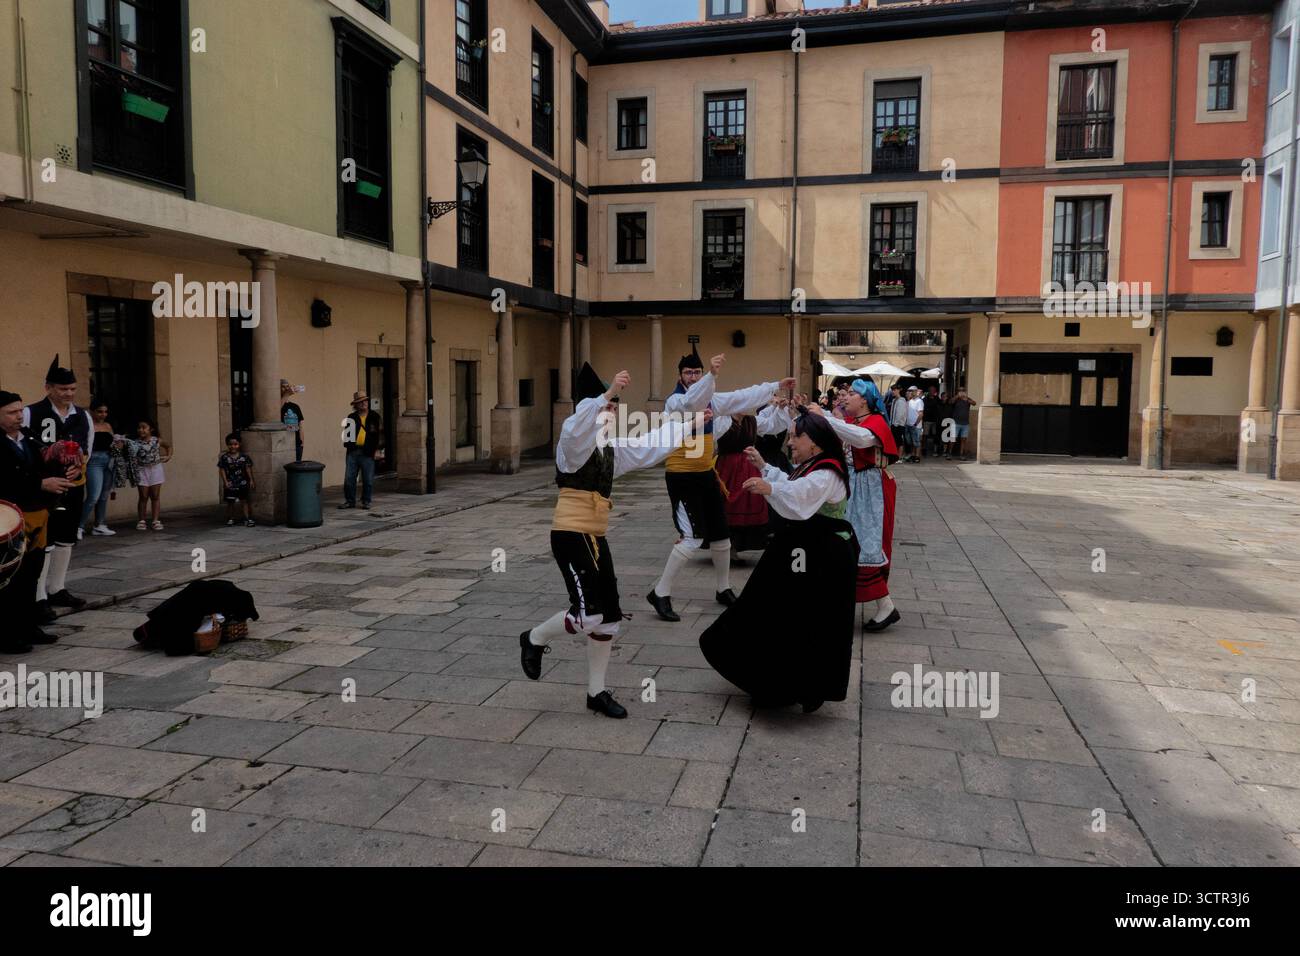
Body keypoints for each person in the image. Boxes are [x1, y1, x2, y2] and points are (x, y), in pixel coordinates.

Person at [519, 363, 705, 719]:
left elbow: (648, 444)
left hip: (595, 537)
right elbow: (576, 428)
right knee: (588, 613)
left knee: (608, 619)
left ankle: (596, 691)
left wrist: (690, 426)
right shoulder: (572, 445)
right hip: (571, 535)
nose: (611, 412)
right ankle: (535, 638)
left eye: (613, 408)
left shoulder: (610, 449)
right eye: (606, 407)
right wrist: (603, 397)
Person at [698, 408, 858, 714]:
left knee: (805, 621)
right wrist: (766, 468)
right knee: (779, 614)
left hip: (823, 559)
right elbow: (792, 483)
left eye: (798, 436)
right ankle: (775, 682)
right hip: (806, 551)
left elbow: (800, 499)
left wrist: (769, 487)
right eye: (791, 435)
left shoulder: (826, 471)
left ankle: (797, 687)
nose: (791, 441)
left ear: (817, 441)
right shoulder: (814, 465)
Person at [645, 348, 796, 622]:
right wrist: (711, 376)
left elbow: (741, 397)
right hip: (682, 476)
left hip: (705, 474)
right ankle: (660, 592)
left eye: (697, 372)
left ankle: (723, 588)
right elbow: (692, 401)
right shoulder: (675, 401)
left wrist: (775, 386)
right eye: (688, 373)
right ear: (680, 376)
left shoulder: (712, 399)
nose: (693, 376)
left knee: (721, 535)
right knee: (691, 538)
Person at [812, 380, 901, 632]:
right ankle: (847, 603)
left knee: (863, 544)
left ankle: (885, 605)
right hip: (854, 485)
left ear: (864, 400)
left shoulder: (875, 423)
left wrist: (826, 418)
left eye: (851, 394)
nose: (845, 397)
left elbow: (862, 441)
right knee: (846, 542)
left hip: (871, 488)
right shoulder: (853, 422)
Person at [0, 389, 76, 652]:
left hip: (37, 516)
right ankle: (8, 635)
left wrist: (65, 467)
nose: (19, 416)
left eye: (20, 410)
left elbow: (46, 464)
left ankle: (29, 626)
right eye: (12, 412)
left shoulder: (29, 437)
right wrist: (40, 483)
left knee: (31, 574)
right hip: (7, 520)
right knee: (9, 580)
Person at [23, 356, 91, 620]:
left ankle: (57, 587)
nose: (69, 394)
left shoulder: (82, 415)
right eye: (63, 389)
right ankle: (38, 594)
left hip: (72, 486)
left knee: (66, 537)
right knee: (45, 540)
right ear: (48, 388)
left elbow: (87, 449)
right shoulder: (31, 412)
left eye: (73, 389)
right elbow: (26, 451)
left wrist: (79, 468)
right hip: (45, 488)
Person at [713, 412, 769, 556]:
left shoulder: (752, 421)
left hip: (749, 467)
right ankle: (727, 547)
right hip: (727, 469)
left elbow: (772, 424)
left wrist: (780, 409)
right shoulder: (723, 421)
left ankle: (739, 545)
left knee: (750, 503)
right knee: (727, 505)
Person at [78, 399, 117, 539]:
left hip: (108, 460)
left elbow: (112, 443)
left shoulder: (107, 425)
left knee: (104, 496)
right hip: (94, 461)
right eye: (100, 411)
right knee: (93, 496)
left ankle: (99, 525)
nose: (103, 414)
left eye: (105, 412)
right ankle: (79, 526)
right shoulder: (88, 425)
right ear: (92, 411)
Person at [341, 390, 382, 510]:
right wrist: (349, 446)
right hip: (353, 452)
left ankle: (366, 501)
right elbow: (347, 434)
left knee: (368, 479)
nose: (363, 403)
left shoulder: (374, 416)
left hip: (368, 452)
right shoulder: (351, 417)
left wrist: (379, 450)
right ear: (356, 405)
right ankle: (349, 501)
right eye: (360, 402)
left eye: (365, 401)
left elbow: (381, 434)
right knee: (349, 478)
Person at [128, 420, 170, 530]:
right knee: (143, 496)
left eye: (144, 427)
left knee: (155, 496)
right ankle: (141, 520)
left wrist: (168, 456)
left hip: (155, 469)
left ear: (151, 429)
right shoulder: (135, 443)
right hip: (141, 470)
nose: (141, 430)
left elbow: (168, 446)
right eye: (139, 428)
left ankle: (156, 520)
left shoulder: (157, 440)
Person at [217, 433, 256, 527]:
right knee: (230, 502)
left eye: (235, 444)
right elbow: (222, 470)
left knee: (244, 501)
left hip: (242, 482)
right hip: (230, 483)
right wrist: (225, 482)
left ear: (239, 444)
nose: (233, 446)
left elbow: (248, 469)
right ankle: (231, 518)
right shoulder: (225, 458)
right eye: (230, 444)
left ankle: (247, 519)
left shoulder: (244, 457)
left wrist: (251, 480)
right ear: (227, 444)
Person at [280, 380, 306, 463]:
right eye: (283, 386)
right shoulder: (277, 405)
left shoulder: (295, 406)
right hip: (283, 442)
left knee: (296, 468)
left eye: (288, 386)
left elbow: (300, 425)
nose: (286, 388)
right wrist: (286, 394)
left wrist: (302, 442)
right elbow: (274, 412)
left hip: (297, 443)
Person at [948, 387, 974, 461]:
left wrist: (967, 399)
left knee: (963, 440)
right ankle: (949, 453)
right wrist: (957, 396)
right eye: (960, 390)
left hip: (965, 423)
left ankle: (962, 454)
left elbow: (974, 403)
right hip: (956, 423)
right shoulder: (956, 399)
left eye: (963, 390)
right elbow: (950, 402)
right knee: (953, 439)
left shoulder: (967, 399)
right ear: (958, 391)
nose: (961, 391)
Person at [888, 383, 909, 461]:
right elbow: (892, 413)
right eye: (892, 390)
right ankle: (896, 456)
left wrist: (895, 424)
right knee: (895, 441)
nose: (893, 391)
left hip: (899, 425)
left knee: (899, 441)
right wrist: (891, 423)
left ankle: (899, 457)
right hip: (893, 424)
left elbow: (900, 414)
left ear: (899, 390)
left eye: (894, 390)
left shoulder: (901, 400)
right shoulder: (894, 400)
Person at [923, 385, 942, 458]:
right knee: (925, 435)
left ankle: (935, 450)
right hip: (927, 420)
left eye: (934, 390)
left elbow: (941, 404)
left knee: (935, 436)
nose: (932, 392)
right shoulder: (925, 399)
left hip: (935, 420)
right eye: (931, 390)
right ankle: (924, 449)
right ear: (929, 391)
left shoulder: (937, 398)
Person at [906, 386, 925, 463]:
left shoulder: (919, 401)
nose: (910, 392)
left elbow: (921, 414)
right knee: (911, 442)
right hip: (909, 424)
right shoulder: (910, 401)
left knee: (917, 442)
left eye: (912, 391)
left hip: (916, 425)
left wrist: (916, 423)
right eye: (909, 391)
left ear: (916, 391)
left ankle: (917, 456)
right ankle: (913, 455)